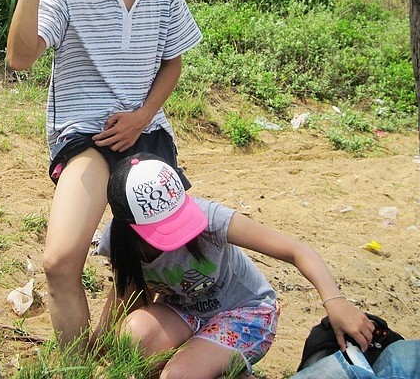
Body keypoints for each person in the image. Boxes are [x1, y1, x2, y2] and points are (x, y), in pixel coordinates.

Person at [5, 0, 202, 348]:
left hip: (147, 136)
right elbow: (20, 58)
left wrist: (141, 117)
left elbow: (172, 63)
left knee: (142, 263)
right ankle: (77, 362)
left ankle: (109, 352)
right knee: (59, 262)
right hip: (86, 137)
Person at [92, 152, 376, 379]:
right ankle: (217, 368)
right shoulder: (120, 241)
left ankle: (210, 364)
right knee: (132, 338)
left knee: (178, 376)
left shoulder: (211, 220)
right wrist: (96, 346)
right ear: (131, 229)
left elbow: (296, 250)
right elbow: (126, 291)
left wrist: (335, 301)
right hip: (182, 311)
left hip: (245, 312)